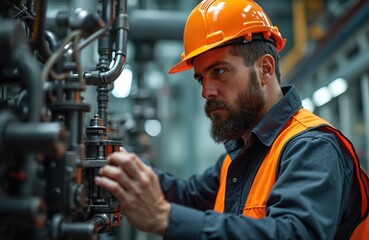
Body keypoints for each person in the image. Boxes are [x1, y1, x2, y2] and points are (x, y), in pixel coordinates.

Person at [94, 0, 369, 239]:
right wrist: (116, 159)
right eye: (201, 77)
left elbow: (293, 233)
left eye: (220, 71)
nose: (206, 91)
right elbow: (188, 196)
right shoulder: (240, 154)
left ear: (264, 69)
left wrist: (166, 219)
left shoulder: (312, 147)